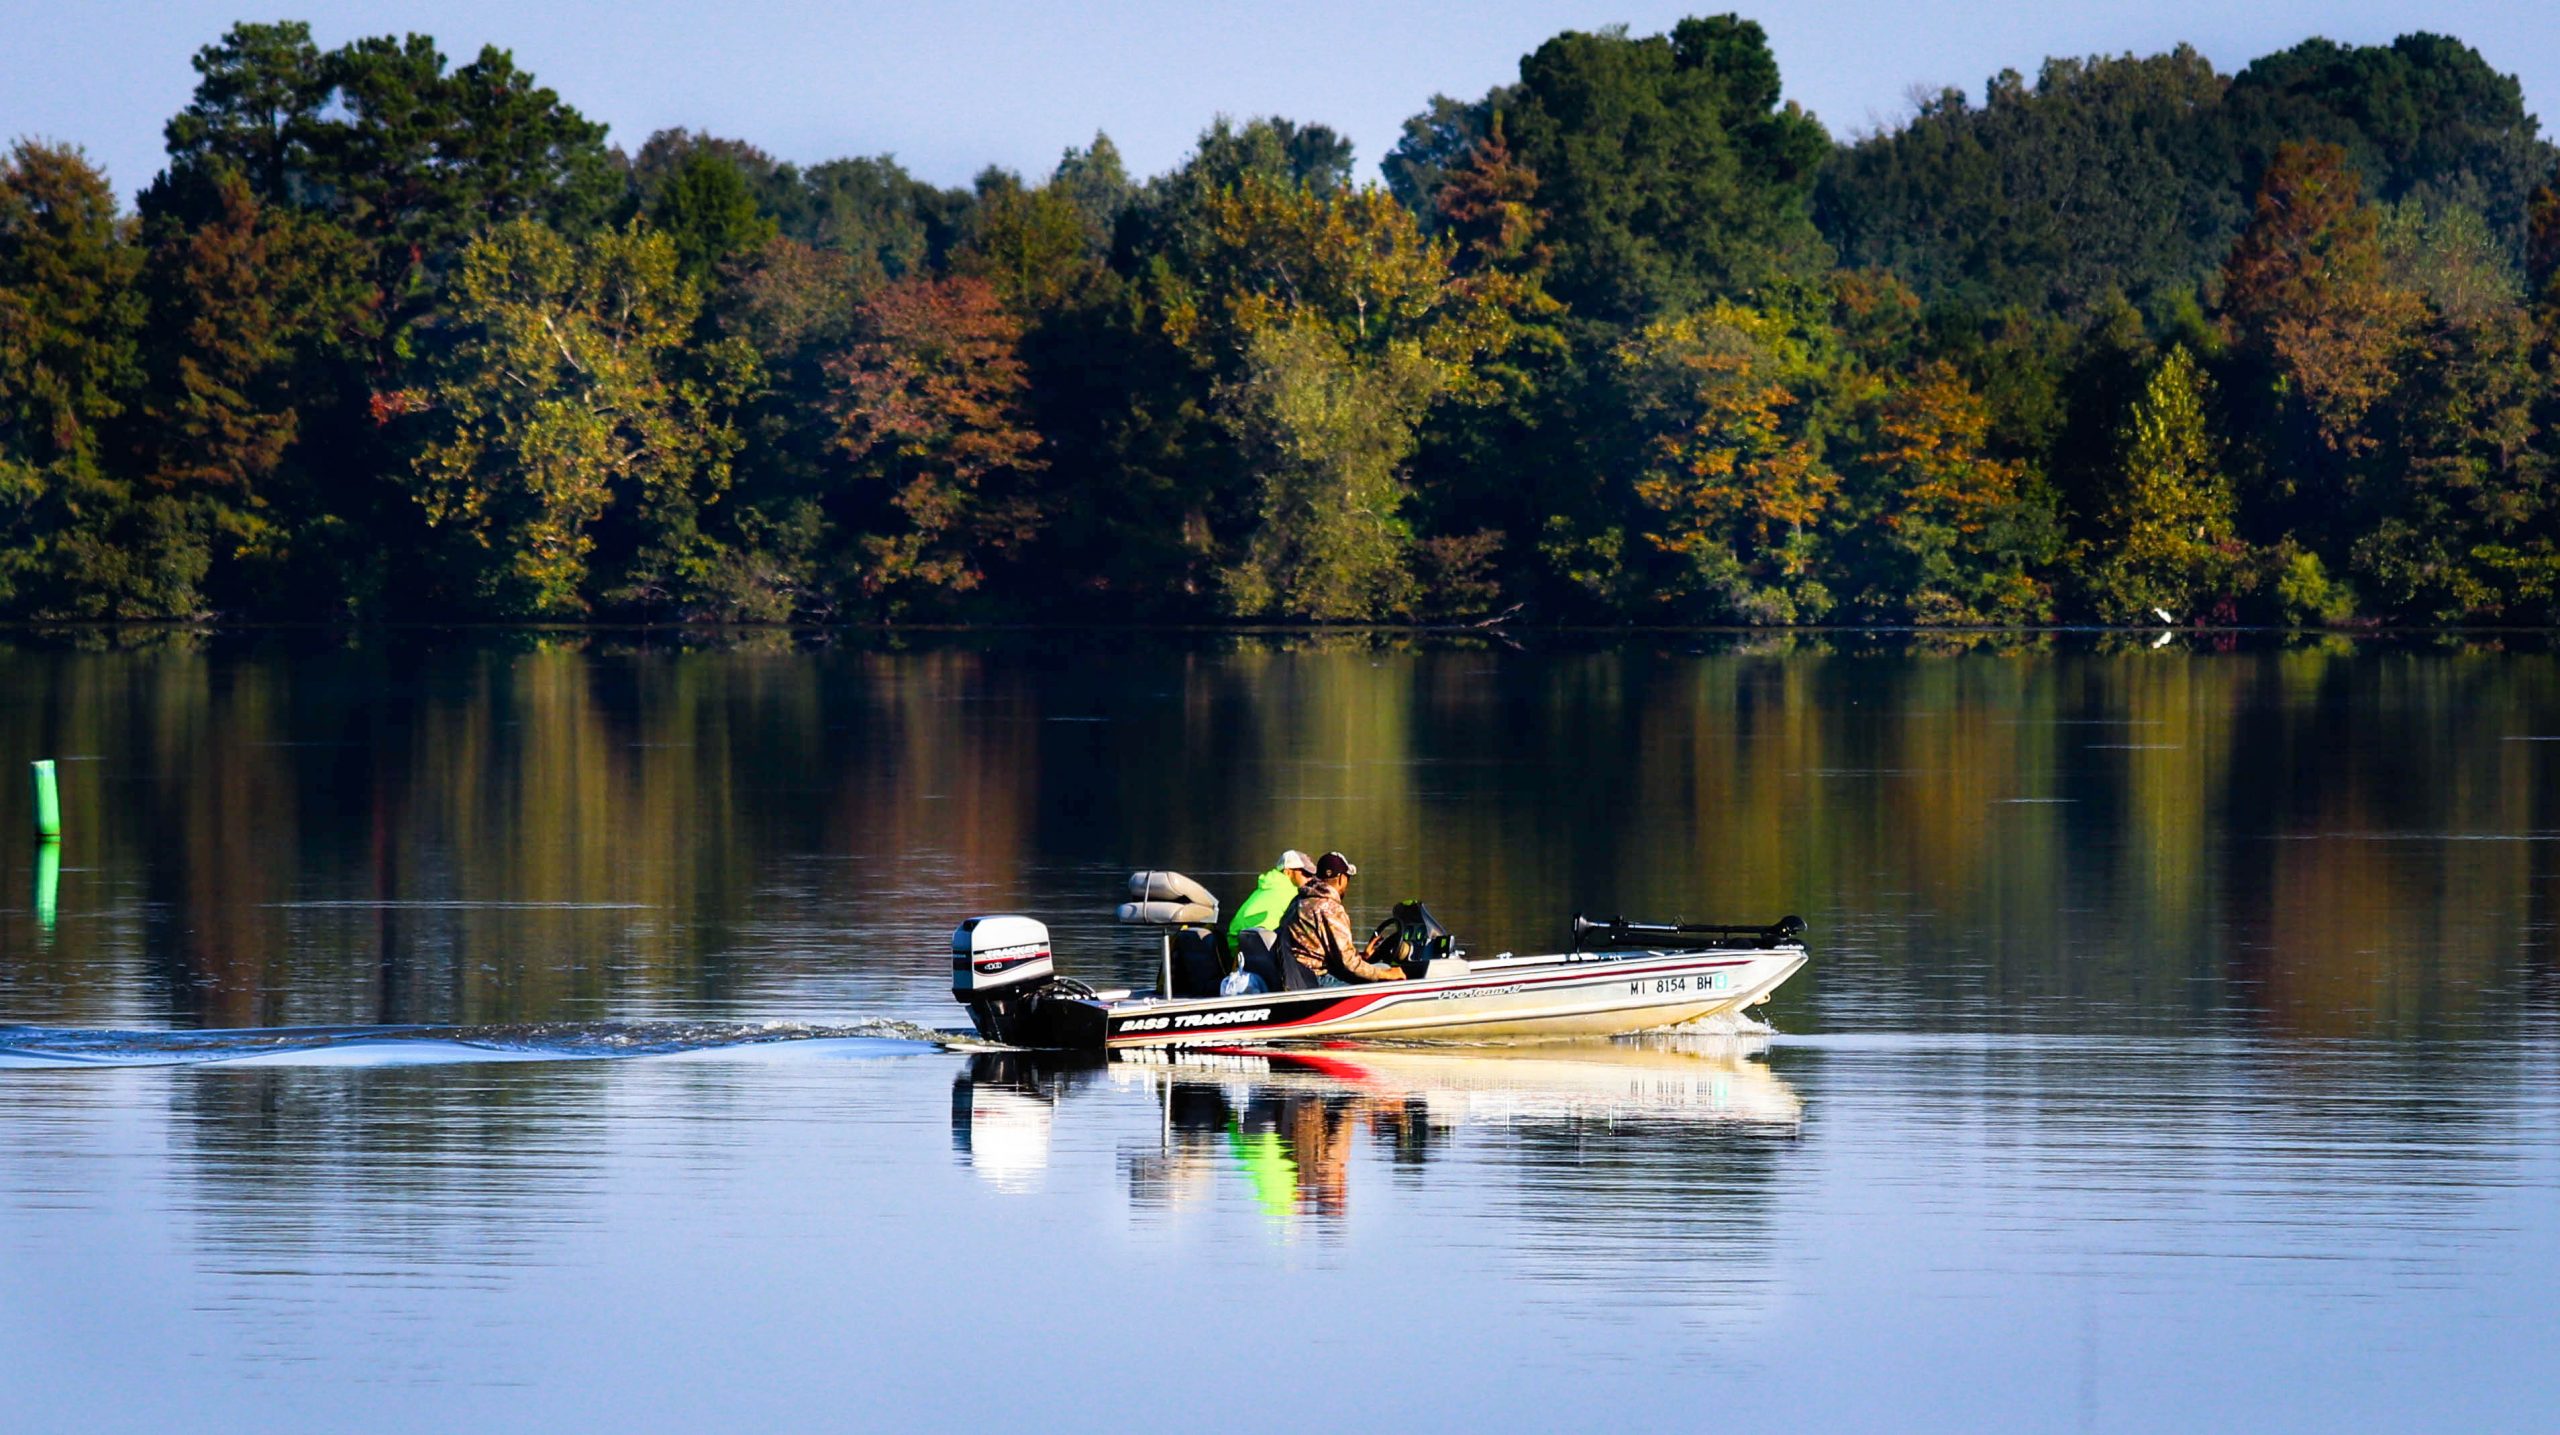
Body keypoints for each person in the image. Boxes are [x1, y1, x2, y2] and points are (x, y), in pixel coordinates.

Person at [1277, 852, 1406, 985]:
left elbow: (1324, 952)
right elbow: (1348, 963)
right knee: (1386, 973)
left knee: (1379, 970)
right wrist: (1386, 974)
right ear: (1340, 878)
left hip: (1297, 974)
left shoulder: (1299, 901)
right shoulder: (1330, 908)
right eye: (1348, 877)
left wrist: (1363, 957)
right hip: (1315, 980)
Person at [1228, 850, 1315, 941]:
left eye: (1311, 874)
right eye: (1306, 873)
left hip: (1237, 942)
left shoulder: (1269, 886)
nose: (1310, 878)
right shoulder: (1289, 893)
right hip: (1253, 945)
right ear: (1287, 872)